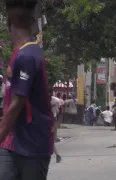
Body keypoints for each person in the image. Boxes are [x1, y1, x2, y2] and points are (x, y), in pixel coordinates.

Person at [0, 1, 53, 179]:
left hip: (33, 144)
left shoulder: (28, 55)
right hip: (13, 142)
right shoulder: (20, 53)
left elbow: (17, 104)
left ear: (9, 24)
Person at [49, 87, 62, 163]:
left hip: (52, 120)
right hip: (43, 120)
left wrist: (56, 124)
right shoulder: (41, 99)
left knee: (50, 139)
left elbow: (60, 112)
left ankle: (57, 155)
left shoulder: (56, 101)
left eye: (50, 93)